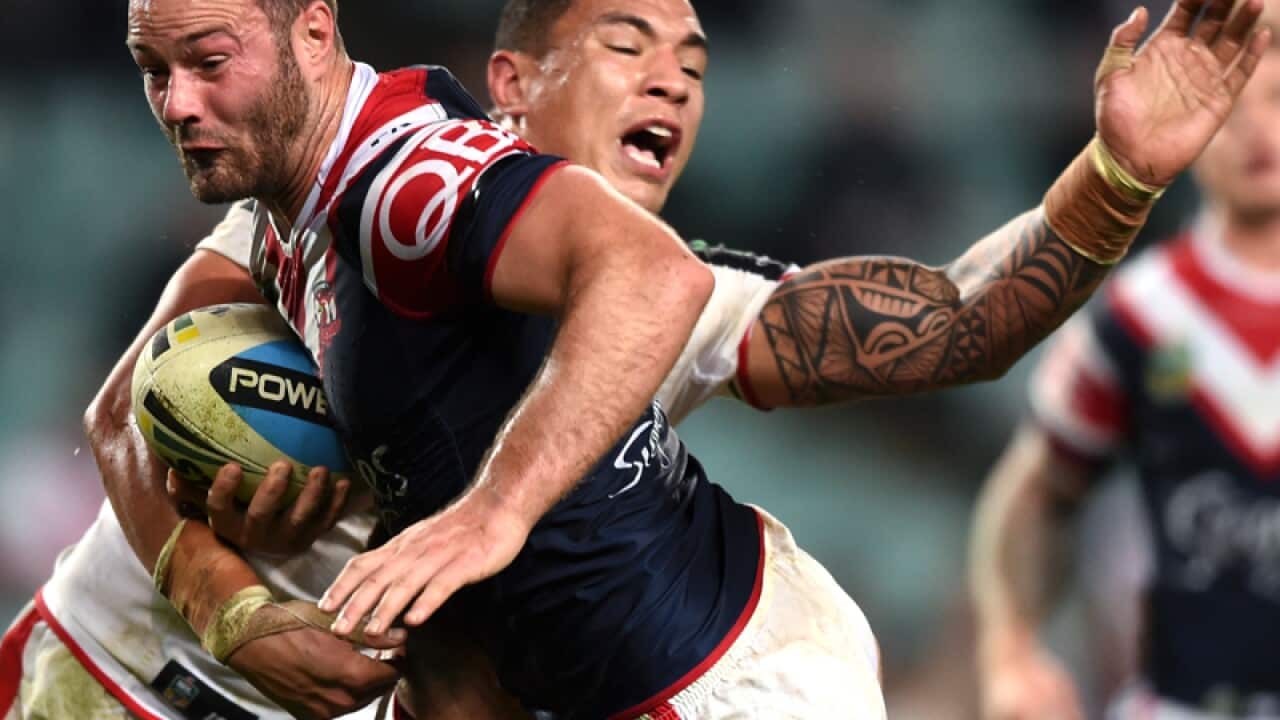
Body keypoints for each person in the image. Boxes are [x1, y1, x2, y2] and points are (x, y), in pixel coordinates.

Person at [2, 0, 1262, 717]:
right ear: (509, 84)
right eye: (627, 45)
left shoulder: (661, 301)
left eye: (694, 65)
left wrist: (1116, 175)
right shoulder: (364, 194)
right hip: (106, 667)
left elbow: (957, 322)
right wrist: (219, 592)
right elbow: (123, 407)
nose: (672, 82)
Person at [969, 6, 1280, 719]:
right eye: (1235, 105)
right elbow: (1038, 490)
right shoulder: (1139, 314)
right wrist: (1011, 649)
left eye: (1279, 99)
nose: (1259, 130)